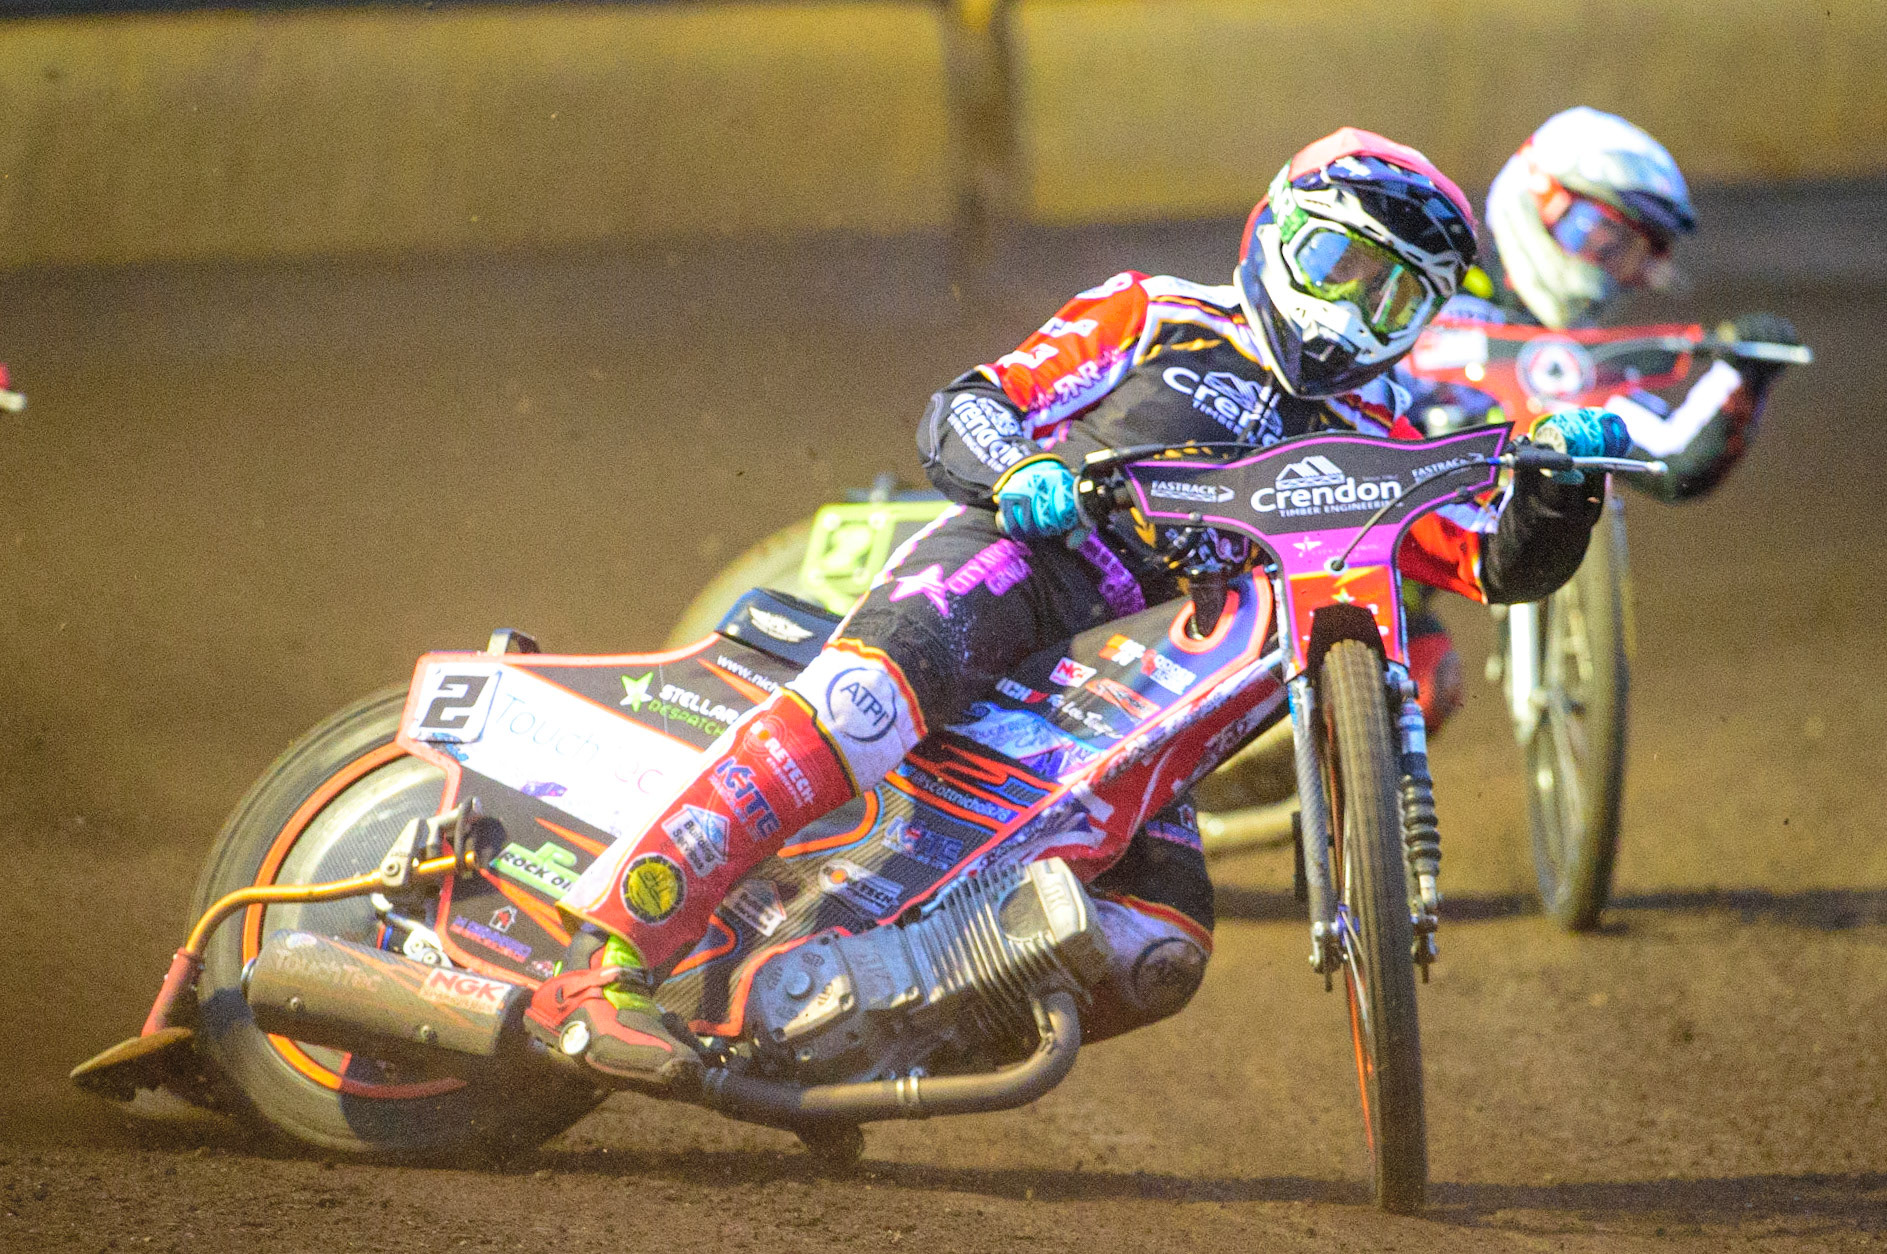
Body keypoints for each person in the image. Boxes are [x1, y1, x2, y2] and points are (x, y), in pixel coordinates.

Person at [524, 128, 1632, 1091]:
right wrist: (1016, 470)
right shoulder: (1156, 312)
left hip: (1147, 686)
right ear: (1276, 233)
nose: (1353, 311)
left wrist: (1561, 490)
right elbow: (970, 405)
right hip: (1018, 573)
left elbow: (1491, 564)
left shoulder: (1381, 433)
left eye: (1393, 294)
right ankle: (605, 957)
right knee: (857, 706)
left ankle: (841, 1038)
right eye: (1340, 264)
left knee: (1163, 950)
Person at [1398, 106, 1803, 726]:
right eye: (1604, 238)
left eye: (1631, 254)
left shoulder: (1573, 367)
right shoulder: (1419, 288)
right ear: (1538, 200)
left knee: (1417, 685)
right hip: (1328, 555)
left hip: (1405, 584)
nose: (1614, 267)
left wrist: (1740, 373)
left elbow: (1675, 460)